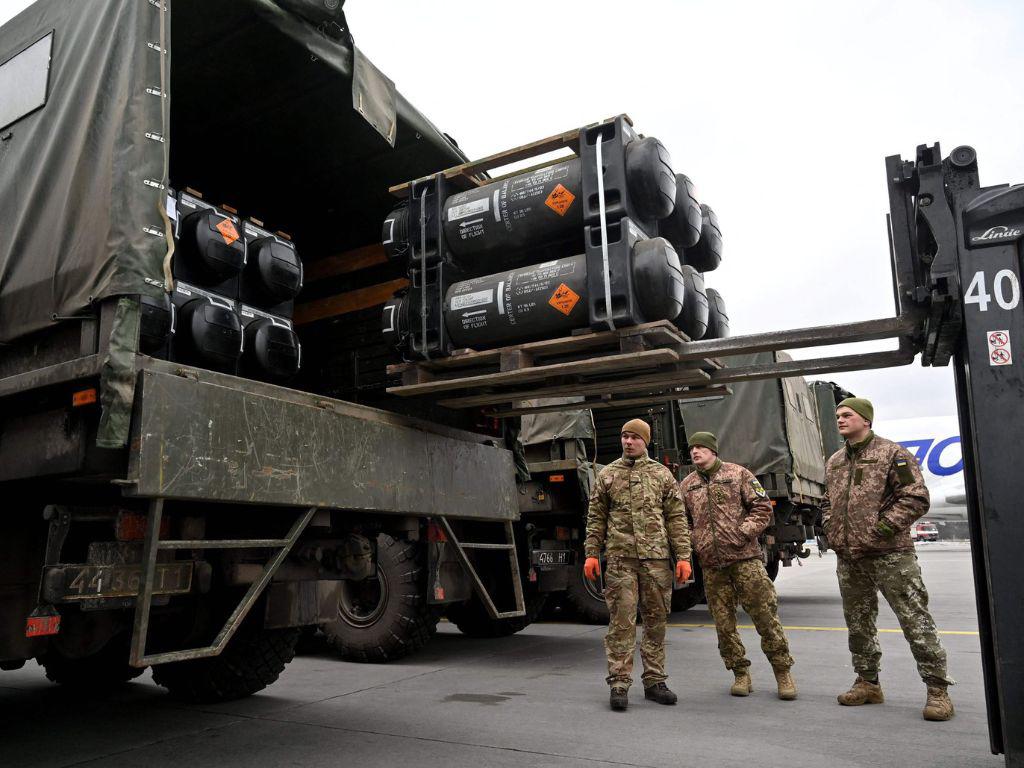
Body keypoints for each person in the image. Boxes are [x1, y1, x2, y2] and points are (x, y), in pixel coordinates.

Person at [822, 396, 954, 721]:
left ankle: (938, 691)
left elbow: (915, 497)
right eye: (838, 415)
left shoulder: (891, 454)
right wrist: (830, 527)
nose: (840, 419)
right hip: (850, 557)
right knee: (858, 623)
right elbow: (827, 501)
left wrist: (880, 529)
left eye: (847, 415)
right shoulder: (836, 460)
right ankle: (868, 682)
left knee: (915, 620)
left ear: (865, 420)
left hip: (890, 555)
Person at [679, 431, 797, 700]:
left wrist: (744, 532)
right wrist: (694, 541)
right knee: (724, 624)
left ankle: (782, 672)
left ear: (713, 451)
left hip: (745, 561)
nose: (695, 452)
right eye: (692, 448)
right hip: (712, 565)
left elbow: (762, 507)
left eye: (701, 447)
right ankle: (740, 673)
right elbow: (681, 521)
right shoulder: (687, 485)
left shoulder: (738, 474)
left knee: (765, 616)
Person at [584, 418, 692, 711]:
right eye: (624, 437)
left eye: (634, 437)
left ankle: (655, 681)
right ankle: (619, 683)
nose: (628, 442)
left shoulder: (662, 475)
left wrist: (683, 556)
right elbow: (596, 518)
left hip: (656, 560)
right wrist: (591, 553)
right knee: (622, 622)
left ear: (645, 441)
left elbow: (676, 518)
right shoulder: (607, 475)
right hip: (620, 560)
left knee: (656, 621)